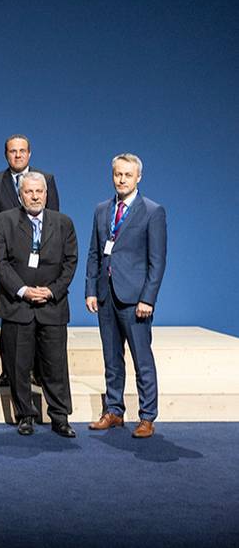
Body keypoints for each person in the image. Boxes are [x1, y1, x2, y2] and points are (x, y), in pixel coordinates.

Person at [85, 154, 167, 439]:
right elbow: (95, 253)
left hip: (135, 300)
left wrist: (148, 298)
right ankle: (114, 411)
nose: (121, 179)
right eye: (118, 174)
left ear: (138, 177)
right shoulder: (102, 210)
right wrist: (91, 290)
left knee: (142, 359)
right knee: (111, 358)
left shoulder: (152, 211)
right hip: (106, 295)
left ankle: (147, 417)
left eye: (127, 175)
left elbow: (157, 261)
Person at [0, 172, 78, 437]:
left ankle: (60, 417)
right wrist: (23, 290)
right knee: (18, 365)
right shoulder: (3, 222)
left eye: (39, 191)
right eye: (29, 192)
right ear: (20, 195)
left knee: (55, 365)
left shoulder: (63, 223)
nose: (35, 196)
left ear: (47, 193)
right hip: (17, 305)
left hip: (52, 305)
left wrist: (51, 291)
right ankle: (25, 415)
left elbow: (70, 263)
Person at [0, 134, 59, 387]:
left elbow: (54, 219)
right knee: (12, 321)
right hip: (11, 261)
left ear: (29, 153)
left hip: (42, 263)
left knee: (40, 320)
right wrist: (10, 242)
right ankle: (9, 371)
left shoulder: (45, 180)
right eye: (13, 151)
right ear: (6, 154)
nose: (17, 155)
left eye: (22, 150)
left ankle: (36, 370)